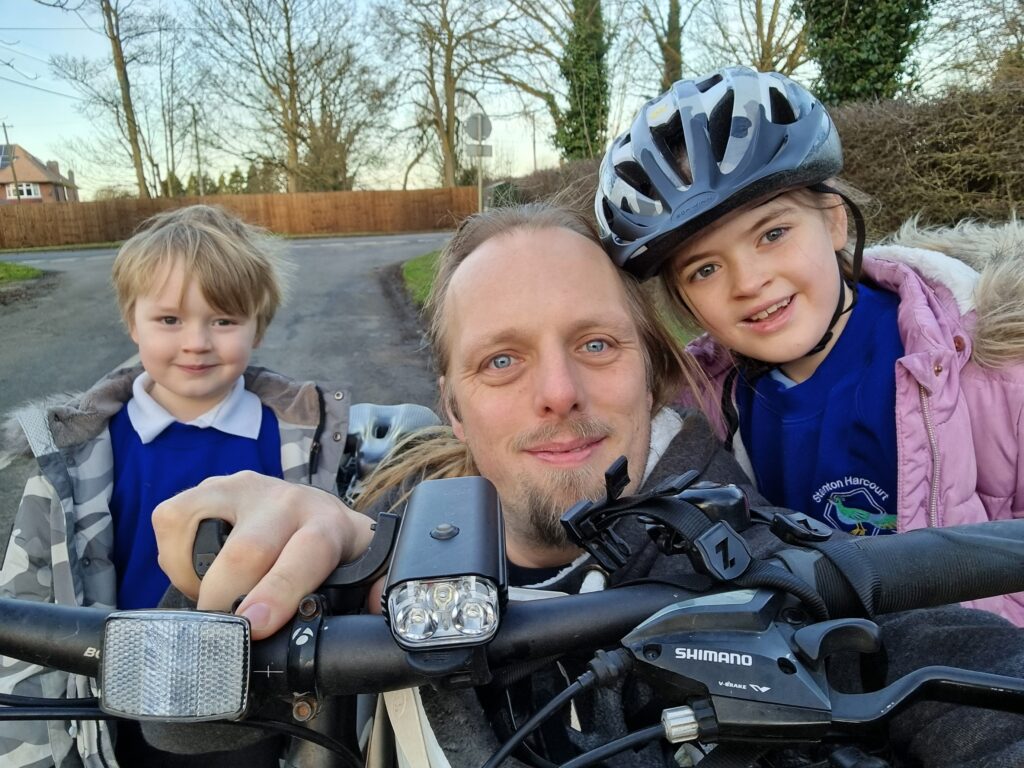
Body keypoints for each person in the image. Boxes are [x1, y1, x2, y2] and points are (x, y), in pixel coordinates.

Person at [150, 202, 1024, 767]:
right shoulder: (370, 552)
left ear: (653, 377)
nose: (559, 391)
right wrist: (245, 589)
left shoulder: (773, 554)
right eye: (502, 360)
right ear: (454, 409)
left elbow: (969, 677)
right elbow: (179, 738)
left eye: (598, 345)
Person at [594, 65, 1024, 625]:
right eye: (704, 269)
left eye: (772, 234)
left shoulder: (992, 360)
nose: (748, 282)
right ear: (683, 301)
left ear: (835, 222)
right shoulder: (701, 408)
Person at [0, 205, 351, 768]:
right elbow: (29, 590)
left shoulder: (297, 440)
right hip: (124, 687)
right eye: (169, 320)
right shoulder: (83, 450)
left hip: (257, 687)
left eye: (223, 320)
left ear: (258, 325)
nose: (196, 343)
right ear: (131, 321)